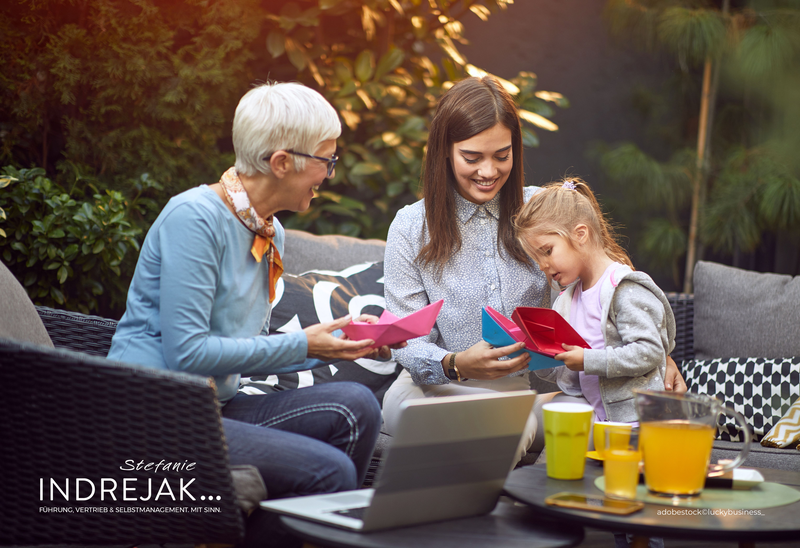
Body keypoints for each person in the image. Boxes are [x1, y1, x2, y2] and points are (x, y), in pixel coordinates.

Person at [107, 82, 399, 547]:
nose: (329, 174)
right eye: (326, 160)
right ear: (281, 162)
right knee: (330, 470)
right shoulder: (195, 219)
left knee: (357, 407)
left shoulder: (269, 233)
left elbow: (246, 352)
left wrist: (338, 347)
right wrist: (305, 344)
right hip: (153, 412)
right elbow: (187, 353)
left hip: (214, 403)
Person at [381, 76, 686, 462]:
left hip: (520, 393)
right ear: (445, 151)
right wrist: (455, 364)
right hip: (430, 389)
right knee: (509, 424)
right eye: (472, 158)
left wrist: (659, 356)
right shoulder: (411, 227)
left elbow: (607, 275)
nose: (488, 171)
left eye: (502, 156)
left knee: (608, 421)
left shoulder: (541, 210)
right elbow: (404, 341)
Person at [513, 176, 671, 547]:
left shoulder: (624, 287)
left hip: (631, 422)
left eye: (546, 251)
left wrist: (587, 358)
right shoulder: (568, 298)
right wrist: (538, 352)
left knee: (637, 520)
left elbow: (649, 351)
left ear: (580, 234)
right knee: (585, 504)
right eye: (537, 257)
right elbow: (569, 371)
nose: (542, 265)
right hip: (594, 420)